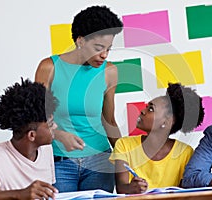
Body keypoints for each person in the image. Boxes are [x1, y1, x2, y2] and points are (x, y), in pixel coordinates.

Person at [35, 5, 123, 192]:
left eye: (109, 48)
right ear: (80, 41)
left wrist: (127, 154)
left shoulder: (109, 72)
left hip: (100, 162)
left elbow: (109, 120)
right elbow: (36, 118)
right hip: (59, 162)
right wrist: (58, 135)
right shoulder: (49, 68)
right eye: (98, 48)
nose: (104, 55)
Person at [109, 83, 205, 194]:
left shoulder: (185, 153)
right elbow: (121, 188)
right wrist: (131, 188)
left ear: (166, 122)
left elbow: (185, 192)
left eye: (150, 109)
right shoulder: (124, 145)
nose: (142, 111)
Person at [0, 78, 58, 200]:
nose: (55, 126)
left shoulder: (46, 150)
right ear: (32, 135)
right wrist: (20, 194)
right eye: (50, 124)